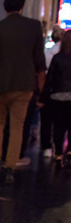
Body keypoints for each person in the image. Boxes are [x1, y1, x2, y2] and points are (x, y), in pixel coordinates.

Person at [0, 0, 46, 184]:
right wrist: (40, 88)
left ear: (5, 7)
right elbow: (39, 60)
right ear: (22, 6)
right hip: (24, 84)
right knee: (17, 126)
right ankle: (10, 168)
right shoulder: (34, 27)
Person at [41, 30, 71, 167]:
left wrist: (43, 96)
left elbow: (50, 79)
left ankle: (58, 154)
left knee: (58, 127)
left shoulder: (57, 58)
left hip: (58, 96)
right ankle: (69, 152)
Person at [40, 25, 65, 158]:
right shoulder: (63, 54)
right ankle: (60, 150)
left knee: (48, 120)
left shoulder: (49, 52)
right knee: (62, 123)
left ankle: (47, 147)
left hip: (52, 90)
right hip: (65, 92)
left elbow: (45, 73)